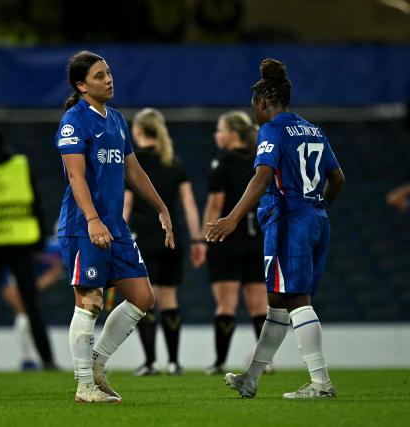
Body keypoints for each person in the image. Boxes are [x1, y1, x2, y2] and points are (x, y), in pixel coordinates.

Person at [206, 58, 344, 399]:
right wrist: (319, 206)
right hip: (314, 219)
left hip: (288, 221)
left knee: (296, 299)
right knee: (278, 302)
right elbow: (338, 178)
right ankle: (251, 377)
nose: (253, 111)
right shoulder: (313, 129)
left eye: (254, 104)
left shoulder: (271, 130)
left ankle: (321, 383)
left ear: (263, 103)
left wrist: (232, 218)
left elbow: (262, 176)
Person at [56, 51, 174, 403]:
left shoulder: (118, 120)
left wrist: (161, 207)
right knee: (90, 301)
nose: (108, 79)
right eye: (99, 76)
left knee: (143, 297)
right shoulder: (73, 121)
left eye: (108, 73)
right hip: (84, 226)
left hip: (116, 228)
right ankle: (83, 386)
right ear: (81, 85)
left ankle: (95, 364)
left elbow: (134, 172)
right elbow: (76, 176)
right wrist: (92, 219)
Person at [123, 108, 205, 376]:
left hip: (142, 237)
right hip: (172, 238)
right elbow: (190, 205)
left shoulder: (132, 164)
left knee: (145, 300)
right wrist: (196, 240)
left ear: (137, 131)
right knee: (170, 299)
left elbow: (126, 205)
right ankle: (174, 362)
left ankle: (150, 363)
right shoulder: (175, 163)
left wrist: (117, 238)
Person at [0, 130, 55, 371]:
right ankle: (48, 360)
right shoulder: (21, 164)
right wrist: (38, 241)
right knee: (32, 304)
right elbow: (37, 202)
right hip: (24, 242)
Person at [202, 111, 269, 376]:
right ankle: (265, 361)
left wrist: (204, 239)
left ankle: (220, 362)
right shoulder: (259, 163)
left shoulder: (222, 163)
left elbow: (215, 204)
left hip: (226, 239)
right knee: (258, 305)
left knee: (226, 305)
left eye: (220, 129)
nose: (217, 134)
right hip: (257, 239)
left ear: (233, 134)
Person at [0, 230, 64, 371]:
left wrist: (35, 286)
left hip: (31, 286)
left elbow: (56, 271)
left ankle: (32, 359)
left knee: (26, 318)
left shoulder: (51, 248)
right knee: (24, 317)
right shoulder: (12, 253)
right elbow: (7, 284)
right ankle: (28, 359)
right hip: (16, 285)